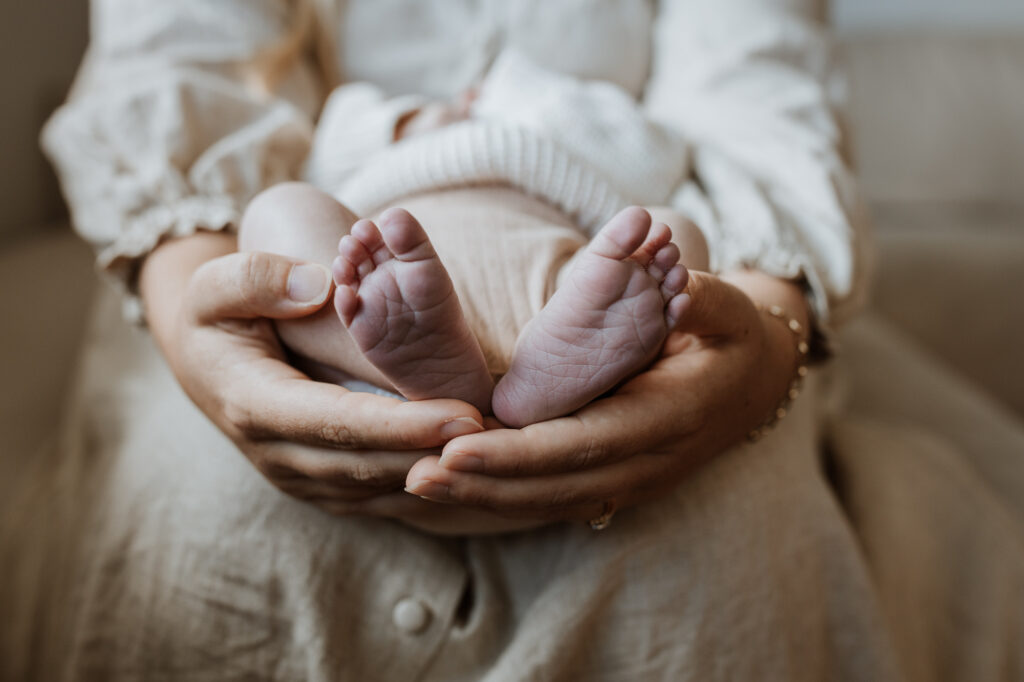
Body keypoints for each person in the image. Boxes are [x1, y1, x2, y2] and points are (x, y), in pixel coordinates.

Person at [17, 0, 1021, 679]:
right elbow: (191, 72)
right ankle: (387, 350)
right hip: (383, 234)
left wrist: (760, 328)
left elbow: (746, 116)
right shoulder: (368, 122)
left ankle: (550, 359)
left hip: (566, 232)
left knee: (676, 244)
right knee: (283, 213)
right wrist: (210, 316)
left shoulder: (580, 118)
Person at [239, 180, 705, 427]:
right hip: (389, 271)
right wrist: (404, 123)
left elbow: (650, 162)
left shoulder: (572, 110)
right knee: (280, 208)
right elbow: (325, 152)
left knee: (668, 232)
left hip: (565, 292)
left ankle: (533, 380)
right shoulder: (364, 112)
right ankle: (410, 365)